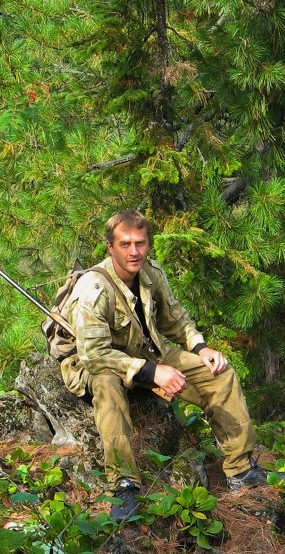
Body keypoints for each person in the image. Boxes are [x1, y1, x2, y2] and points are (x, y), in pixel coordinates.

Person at [60, 209, 268, 520]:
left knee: (219, 374)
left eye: (141, 243)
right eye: (126, 244)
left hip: (146, 353)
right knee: (106, 385)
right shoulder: (94, 288)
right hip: (99, 365)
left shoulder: (150, 273)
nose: (135, 251)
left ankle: (240, 469)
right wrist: (152, 372)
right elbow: (93, 355)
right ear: (110, 247)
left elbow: (175, 318)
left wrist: (201, 347)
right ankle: (124, 485)